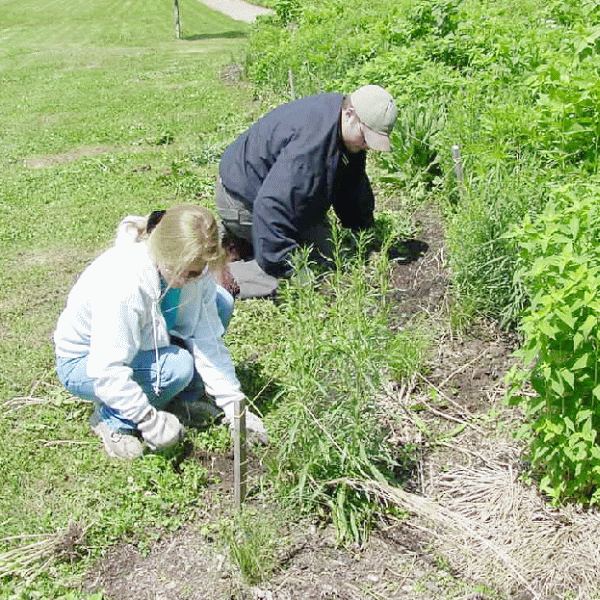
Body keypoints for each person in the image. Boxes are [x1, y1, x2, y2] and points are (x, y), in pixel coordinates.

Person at [54, 204, 267, 459]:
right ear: (165, 254)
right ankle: (113, 419)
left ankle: (183, 401)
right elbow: (105, 370)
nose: (193, 278)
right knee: (175, 368)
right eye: (187, 273)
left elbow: (208, 340)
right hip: (85, 363)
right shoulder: (124, 285)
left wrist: (236, 409)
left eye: (198, 272)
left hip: (141, 344)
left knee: (221, 302)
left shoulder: (189, 272)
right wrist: (149, 421)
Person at [216, 84, 398, 298]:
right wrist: (291, 267)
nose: (367, 145)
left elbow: (351, 184)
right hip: (245, 202)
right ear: (350, 114)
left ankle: (240, 242)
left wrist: (363, 228)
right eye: (366, 137)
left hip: (268, 195)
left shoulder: (342, 125)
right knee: (303, 271)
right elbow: (270, 208)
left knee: (329, 254)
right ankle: (214, 275)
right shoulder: (311, 145)